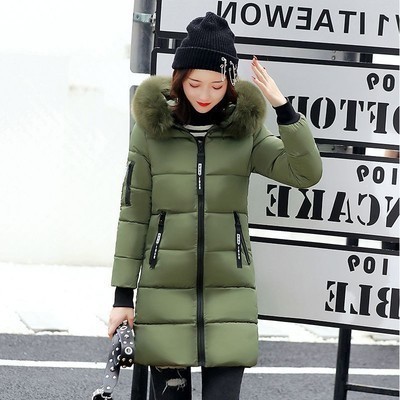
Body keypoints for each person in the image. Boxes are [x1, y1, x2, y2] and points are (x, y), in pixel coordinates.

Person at [108, 11, 322, 400]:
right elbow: (133, 214)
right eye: (194, 83)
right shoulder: (150, 133)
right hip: (163, 293)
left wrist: (283, 108)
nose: (205, 95)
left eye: (217, 84)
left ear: (230, 83)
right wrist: (123, 297)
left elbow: (305, 173)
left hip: (230, 295)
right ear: (179, 79)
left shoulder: (246, 132)